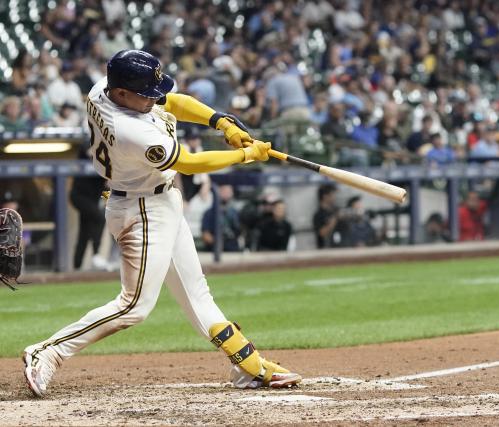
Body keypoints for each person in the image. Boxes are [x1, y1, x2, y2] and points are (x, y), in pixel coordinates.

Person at [23, 50, 301, 398]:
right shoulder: (131, 131)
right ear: (122, 93)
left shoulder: (103, 89)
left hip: (161, 199)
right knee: (134, 305)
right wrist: (247, 154)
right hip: (141, 209)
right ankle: (47, 352)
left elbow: (173, 102)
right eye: (146, 94)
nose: (154, 98)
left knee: (197, 292)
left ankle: (248, 367)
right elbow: (189, 163)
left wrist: (220, 121)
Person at [69, 141, 107, 270]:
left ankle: (76, 265)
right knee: (100, 218)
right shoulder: (89, 142)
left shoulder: (108, 160)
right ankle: (96, 254)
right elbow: (87, 150)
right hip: (78, 196)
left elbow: (108, 184)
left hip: (92, 199)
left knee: (84, 232)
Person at [201, 185, 242, 252]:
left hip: (233, 248)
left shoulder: (234, 212)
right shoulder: (209, 213)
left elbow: (240, 231)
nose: (226, 194)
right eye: (224, 191)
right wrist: (217, 242)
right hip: (214, 249)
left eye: (229, 192)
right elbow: (205, 235)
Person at [313, 183, 339, 249]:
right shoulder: (318, 215)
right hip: (325, 252)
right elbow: (322, 233)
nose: (335, 197)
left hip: (339, 248)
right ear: (325, 196)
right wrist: (333, 221)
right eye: (332, 194)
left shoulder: (335, 210)